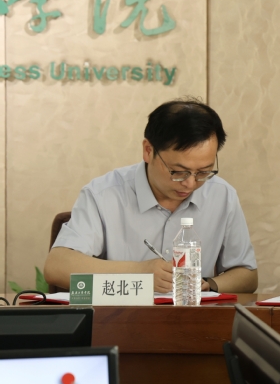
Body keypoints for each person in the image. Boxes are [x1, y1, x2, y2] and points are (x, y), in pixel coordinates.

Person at [44, 98, 258, 293]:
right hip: (119, 318)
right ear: (148, 150)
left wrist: (208, 285)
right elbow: (57, 266)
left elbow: (247, 274)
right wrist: (139, 273)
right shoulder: (103, 194)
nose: (191, 183)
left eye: (203, 172)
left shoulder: (222, 195)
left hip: (191, 318)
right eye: (178, 172)